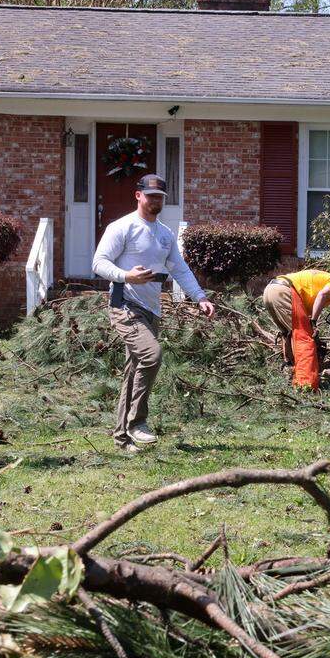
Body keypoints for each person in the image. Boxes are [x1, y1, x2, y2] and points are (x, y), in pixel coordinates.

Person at [92, 173, 215, 452]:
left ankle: (122, 439)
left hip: (151, 309)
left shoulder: (165, 234)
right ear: (138, 196)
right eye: (151, 196)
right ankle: (138, 422)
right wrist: (125, 276)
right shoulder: (122, 227)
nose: (155, 201)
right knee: (152, 355)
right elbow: (99, 263)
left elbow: (179, 269)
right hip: (124, 304)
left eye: (160, 197)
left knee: (133, 370)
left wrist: (200, 297)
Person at [261, 269, 330, 389]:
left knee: (289, 335)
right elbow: (322, 295)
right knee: (304, 340)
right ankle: (306, 386)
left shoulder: (319, 289)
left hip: (270, 290)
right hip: (285, 291)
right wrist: (313, 322)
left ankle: (289, 373)